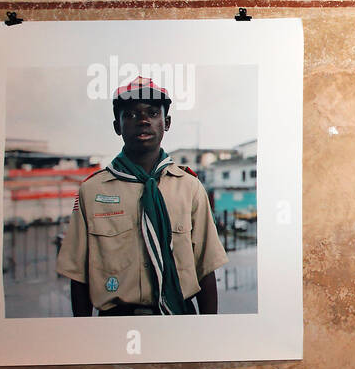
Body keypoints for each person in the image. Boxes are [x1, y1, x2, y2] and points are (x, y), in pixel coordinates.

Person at [57, 76, 227, 316]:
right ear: (117, 126)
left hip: (178, 319)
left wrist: (207, 335)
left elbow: (206, 269)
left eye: (152, 113)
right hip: (115, 322)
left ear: (166, 122)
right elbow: (79, 278)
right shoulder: (92, 191)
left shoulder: (189, 188)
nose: (143, 120)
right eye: (131, 115)